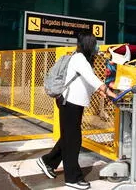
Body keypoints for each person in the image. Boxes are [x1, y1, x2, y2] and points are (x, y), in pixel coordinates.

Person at [36, 32, 117, 190]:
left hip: (74, 103)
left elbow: (88, 83)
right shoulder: (79, 58)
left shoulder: (83, 59)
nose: (96, 46)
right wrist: (110, 93)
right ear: (88, 44)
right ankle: (72, 178)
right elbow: (93, 80)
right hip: (69, 103)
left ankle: (47, 161)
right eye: (94, 43)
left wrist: (105, 93)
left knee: (68, 138)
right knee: (73, 141)